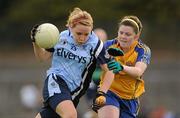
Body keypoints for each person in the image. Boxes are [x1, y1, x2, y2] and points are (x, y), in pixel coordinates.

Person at [31, 7, 113, 118]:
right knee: (70, 115)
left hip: (73, 93)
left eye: (86, 34)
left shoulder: (96, 44)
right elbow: (42, 57)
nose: (82, 38)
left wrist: (102, 92)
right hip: (56, 81)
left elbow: (109, 71)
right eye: (79, 33)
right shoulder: (60, 37)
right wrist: (36, 42)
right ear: (70, 27)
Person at [92, 15, 151, 118]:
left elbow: (138, 71)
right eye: (121, 33)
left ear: (136, 36)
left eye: (128, 34)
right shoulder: (108, 45)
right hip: (109, 92)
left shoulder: (143, 50)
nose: (123, 37)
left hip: (130, 98)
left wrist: (122, 67)